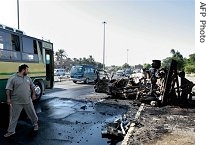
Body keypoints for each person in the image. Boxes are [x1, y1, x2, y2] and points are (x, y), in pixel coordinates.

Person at [4, 64, 38, 137]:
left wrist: (34, 94)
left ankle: (35, 124)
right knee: (14, 117)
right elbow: (8, 89)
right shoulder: (13, 78)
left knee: (32, 114)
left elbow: (32, 87)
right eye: (27, 69)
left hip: (27, 101)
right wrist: (8, 98)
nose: (28, 71)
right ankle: (11, 131)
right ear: (23, 70)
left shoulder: (28, 78)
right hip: (16, 101)